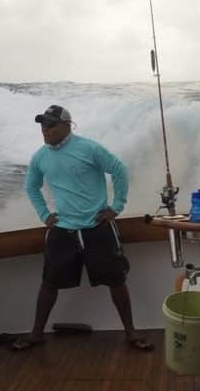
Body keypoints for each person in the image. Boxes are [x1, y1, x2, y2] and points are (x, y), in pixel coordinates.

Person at [12, 105, 153, 352]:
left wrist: (117, 206)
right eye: (43, 125)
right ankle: (36, 334)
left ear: (68, 125)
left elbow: (119, 170)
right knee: (49, 284)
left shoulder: (89, 148)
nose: (46, 130)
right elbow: (31, 187)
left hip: (97, 227)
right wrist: (44, 214)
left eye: (51, 124)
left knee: (116, 281)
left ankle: (131, 332)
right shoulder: (40, 157)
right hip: (62, 230)